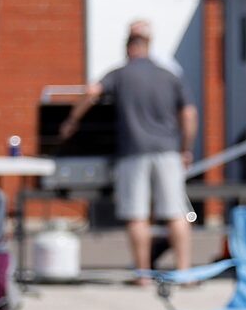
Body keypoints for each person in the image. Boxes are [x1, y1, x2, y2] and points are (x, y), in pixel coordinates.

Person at [58, 20, 197, 275]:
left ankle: (143, 274)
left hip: (133, 152)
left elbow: (91, 92)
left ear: (128, 44)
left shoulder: (120, 74)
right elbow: (189, 115)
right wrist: (186, 149)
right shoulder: (169, 75)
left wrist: (71, 120)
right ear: (149, 43)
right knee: (177, 212)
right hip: (168, 152)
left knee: (137, 215)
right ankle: (184, 273)